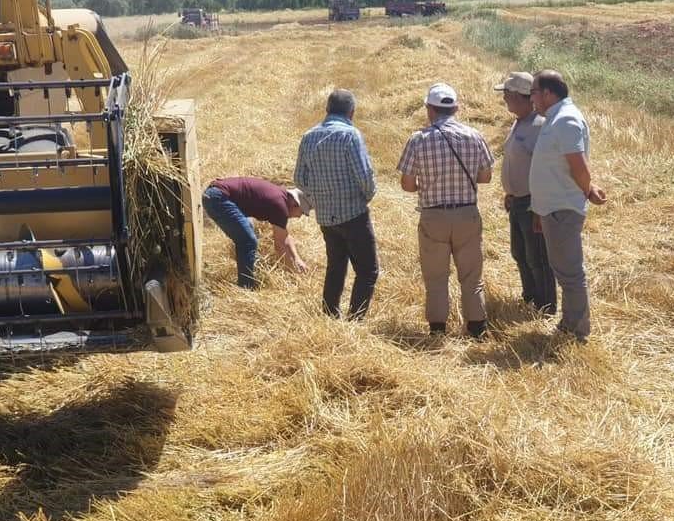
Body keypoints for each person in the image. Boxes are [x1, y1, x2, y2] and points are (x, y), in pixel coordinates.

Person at [398, 83, 494, 338]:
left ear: (430, 109)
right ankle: (476, 328)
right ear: (456, 109)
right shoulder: (474, 135)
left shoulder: (418, 140)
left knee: (436, 277)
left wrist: (427, 184)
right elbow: (485, 176)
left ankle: (438, 330)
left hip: (434, 216)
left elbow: (407, 185)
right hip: (466, 214)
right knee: (472, 276)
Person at [529, 70, 608, 344]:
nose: (532, 99)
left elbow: (577, 164)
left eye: (534, 93)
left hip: (563, 208)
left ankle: (576, 331)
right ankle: (570, 323)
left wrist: (588, 190)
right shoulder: (554, 118)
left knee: (570, 273)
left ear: (549, 93)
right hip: (553, 208)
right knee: (563, 269)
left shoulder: (566, 120)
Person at [294, 89, 379, 319]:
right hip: (354, 214)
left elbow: (299, 179)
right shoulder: (351, 135)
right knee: (368, 270)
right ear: (352, 112)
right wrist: (367, 196)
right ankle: (355, 319)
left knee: (336, 267)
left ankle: (329, 315)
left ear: (327, 110)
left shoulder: (309, 136)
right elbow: (365, 177)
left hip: (326, 217)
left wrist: (321, 195)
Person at [493, 71, 555, 315]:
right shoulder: (519, 122)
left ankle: (545, 306)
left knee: (537, 257)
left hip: (532, 203)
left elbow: (546, 170)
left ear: (523, 97)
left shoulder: (539, 126)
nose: (504, 99)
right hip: (517, 201)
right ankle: (530, 298)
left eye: (507, 95)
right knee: (520, 253)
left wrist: (539, 206)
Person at [201, 177, 312, 288]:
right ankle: (246, 287)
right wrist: (293, 274)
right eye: (301, 213)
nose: (298, 217)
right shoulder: (280, 206)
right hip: (218, 198)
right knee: (248, 240)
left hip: (217, 194)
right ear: (295, 204)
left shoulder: (280, 197)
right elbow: (280, 245)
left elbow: (285, 236)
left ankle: (253, 271)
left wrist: (297, 258)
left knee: (249, 232)